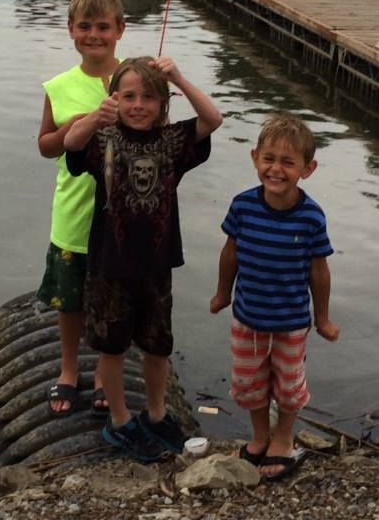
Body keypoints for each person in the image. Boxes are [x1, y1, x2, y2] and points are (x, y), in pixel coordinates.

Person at [64, 56, 222, 462]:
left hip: (157, 265)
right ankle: (119, 421)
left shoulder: (172, 143)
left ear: (162, 104)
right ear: (114, 98)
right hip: (110, 265)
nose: (138, 105)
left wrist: (179, 77)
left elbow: (213, 118)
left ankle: (156, 413)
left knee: (158, 347)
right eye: (128, 96)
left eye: (149, 97)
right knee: (112, 349)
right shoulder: (103, 140)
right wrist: (96, 118)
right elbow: (70, 145)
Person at [210, 114, 340, 482]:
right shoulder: (243, 206)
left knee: (288, 383)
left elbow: (319, 271)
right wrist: (222, 294)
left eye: (288, 162)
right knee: (249, 383)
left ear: (307, 169)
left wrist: (323, 318)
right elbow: (230, 253)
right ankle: (259, 436)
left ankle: (283, 437)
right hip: (247, 317)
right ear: (255, 159)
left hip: (291, 322)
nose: (276, 169)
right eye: (269, 159)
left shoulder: (311, 217)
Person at [37, 0, 125, 417]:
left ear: (119, 30)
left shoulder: (137, 78)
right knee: (70, 301)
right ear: (71, 30)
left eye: (103, 27)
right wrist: (83, 123)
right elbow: (46, 146)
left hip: (123, 216)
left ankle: (110, 374)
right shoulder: (58, 87)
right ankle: (69, 370)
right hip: (73, 214)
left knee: (116, 297)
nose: (94, 35)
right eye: (85, 26)